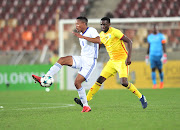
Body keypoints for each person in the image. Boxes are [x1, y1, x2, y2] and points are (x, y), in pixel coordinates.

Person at [74, 17, 147, 109]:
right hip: (112, 61)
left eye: (104, 24)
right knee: (99, 80)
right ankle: (85, 100)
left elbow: (129, 41)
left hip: (122, 61)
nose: (102, 26)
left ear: (109, 24)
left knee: (124, 82)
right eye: (101, 24)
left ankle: (141, 97)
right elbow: (98, 45)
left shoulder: (115, 32)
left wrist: (129, 57)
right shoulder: (101, 35)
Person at [32, 16, 101, 112]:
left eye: (78, 24)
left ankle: (86, 106)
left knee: (77, 83)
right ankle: (45, 78)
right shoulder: (81, 34)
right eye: (75, 24)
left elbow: (98, 41)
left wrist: (84, 38)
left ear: (84, 24)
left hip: (90, 62)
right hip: (82, 59)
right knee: (62, 60)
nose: (76, 25)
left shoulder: (91, 30)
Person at [145, 24, 167, 89]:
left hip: (159, 55)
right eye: (154, 28)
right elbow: (148, 47)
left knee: (160, 69)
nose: (155, 29)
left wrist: (165, 55)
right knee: (153, 69)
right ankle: (154, 84)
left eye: (156, 28)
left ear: (158, 29)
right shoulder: (150, 37)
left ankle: (161, 82)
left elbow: (164, 45)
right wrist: (147, 56)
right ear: (153, 29)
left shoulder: (161, 36)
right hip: (152, 55)